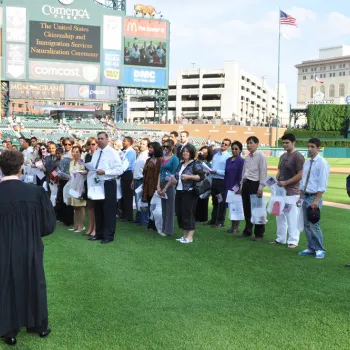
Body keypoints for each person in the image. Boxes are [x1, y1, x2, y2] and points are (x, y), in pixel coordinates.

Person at [0, 150, 55, 346]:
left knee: (5, 284)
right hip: (30, 246)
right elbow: (48, 226)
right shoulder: (36, 192)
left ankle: (9, 330)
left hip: (3, 248)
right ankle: (38, 325)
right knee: (34, 280)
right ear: (21, 167)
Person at [297, 138, 330, 259]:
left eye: (312, 147)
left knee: (314, 224)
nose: (309, 149)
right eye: (308, 146)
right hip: (305, 196)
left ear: (318, 148)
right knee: (306, 224)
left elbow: (323, 183)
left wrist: (316, 200)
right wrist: (300, 197)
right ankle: (311, 247)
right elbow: (303, 181)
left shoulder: (322, 163)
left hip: (314, 197)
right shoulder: (307, 163)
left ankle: (320, 248)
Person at [88, 132, 123, 244]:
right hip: (98, 184)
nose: (100, 140)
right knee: (98, 210)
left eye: (102, 138)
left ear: (107, 139)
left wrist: (105, 172)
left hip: (108, 183)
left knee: (109, 211)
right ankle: (99, 233)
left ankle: (108, 236)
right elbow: (93, 167)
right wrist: (87, 171)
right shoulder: (96, 152)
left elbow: (119, 170)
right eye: (98, 139)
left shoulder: (112, 152)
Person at [271, 134, 305, 248]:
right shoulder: (283, 156)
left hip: (292, 192)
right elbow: (279, 171)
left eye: (287, 143)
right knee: (279, 216)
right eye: (283, 143)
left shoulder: (298, 156)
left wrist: (286, 182)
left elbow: (301, 174)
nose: (285, 145)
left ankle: (293, 241)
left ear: (293, 142)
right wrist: (276, 180)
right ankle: (280, 238)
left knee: (291, 217)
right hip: (280, 192)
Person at [173, 144, 204, 243]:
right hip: (179, 190)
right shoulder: (181, 163)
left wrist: (189, 177)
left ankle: (189, 237)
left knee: (188, 213)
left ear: (191, 153)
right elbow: (177, 175)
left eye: (187, 151)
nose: (185, 153)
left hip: (190, 192)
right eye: (184, 151)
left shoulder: (195, 163)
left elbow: (201, 177)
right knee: (181, 213)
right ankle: (185, 235)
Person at [239, 136, 268, 241]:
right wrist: (242, 185)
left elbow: (263, 173)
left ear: (257, 144)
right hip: (246, 184)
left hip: (255, 184)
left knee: (257, 210)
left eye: (251, 143)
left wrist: (261, 187)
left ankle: (259, 234)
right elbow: (244, 173)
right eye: (247, 143)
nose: (249, 145)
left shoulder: (261, 156)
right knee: (247, 209)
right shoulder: (248, 156)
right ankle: (248, 230)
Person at [157, 139, 179, 236]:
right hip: (162, 183)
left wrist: (165, 188)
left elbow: (173, 175)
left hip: (169, 185)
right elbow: (160, 172)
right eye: (164, 146)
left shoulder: (175, 159)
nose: (165, 148)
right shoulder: (163, 158)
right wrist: (158, 186)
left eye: (167, 147)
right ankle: (163, 228)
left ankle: (168, 230)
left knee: (170, 208)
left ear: (172, 147)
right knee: (164, 208)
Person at [207, 138, 231, 228]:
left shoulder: (228, 157)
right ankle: (213, 219)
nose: (223, 145)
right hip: (214, 181)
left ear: (229, 146)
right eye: (222, 143)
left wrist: (216, 171)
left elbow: (227, 171)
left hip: (222, 181)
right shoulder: (216, 155)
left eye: (226, 144)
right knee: (214, 201)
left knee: (221, 201)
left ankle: (220, 221)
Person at [224, 141, 245, 233]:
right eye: (232, 148)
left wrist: (238, 188)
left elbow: (241, 176)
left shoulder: (241, 161)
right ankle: (232, 227)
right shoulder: (228, 160)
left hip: (236, 188)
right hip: (228, 186)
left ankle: (236, 227)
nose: (234, 150)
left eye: (236, 149)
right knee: (231, 207)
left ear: (240, 150)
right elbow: (226, 174)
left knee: (237, 208)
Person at [142, 142, 162, 231]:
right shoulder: (148, 159)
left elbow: (158, 174)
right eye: (149, 147)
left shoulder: (160, 160)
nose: (150, 149)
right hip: (147, 186)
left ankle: (155, 224)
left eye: (152, 148)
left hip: (155, 187)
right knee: (150, 206)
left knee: (155, 207)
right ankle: (151, 223)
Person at [68, 146, 86, 233]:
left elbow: (84, 173)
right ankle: (76, 225)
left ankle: (81, 226)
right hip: (72, 185)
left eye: (77, 152)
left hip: (80, 186)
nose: (75, 153)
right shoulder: (71, 162)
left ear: (80, 153)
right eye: (73, 151)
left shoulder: (81, 162)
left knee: (80, 206)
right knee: (75, 206)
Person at [132, 138, 150, 226]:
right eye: (141, 143)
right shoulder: (140, 154)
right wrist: (133, 180)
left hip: (142, 180)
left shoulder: (147, 155)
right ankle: (139, 219)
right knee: (137, 200)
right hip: (136, 179)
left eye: (143, 144)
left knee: (143, 201)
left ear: (147, 146)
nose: (141, 145)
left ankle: (144, 220)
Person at [195, 146, 213, 222]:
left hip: (206, 182)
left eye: (205, 153)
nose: (203, 154)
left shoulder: (210, 162)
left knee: (204, 200)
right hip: (198, 182)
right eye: (202, 152)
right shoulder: (197, 161)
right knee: (196, 200)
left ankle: (203, 217)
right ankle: (196, 216)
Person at [120, 136, 136, 222]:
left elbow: (126, 164)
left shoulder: (131, 152)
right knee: (124, 194)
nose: (123, 142)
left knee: (128, 195)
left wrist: (119, 171)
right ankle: (124, 214)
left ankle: (128, 216)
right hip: (124, 174)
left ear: (129, 142)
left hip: (128, 174)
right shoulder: (124, 151)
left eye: (125, 141)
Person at [84, 138, 97, 237]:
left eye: (93, 144)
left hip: (96, 183)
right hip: (88, 181)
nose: (91, 146)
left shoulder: (98, 155)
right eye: (89, 144)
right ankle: (90, 226)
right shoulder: (87, 156)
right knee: (90, 206)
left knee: (95, 206)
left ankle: (95, 228)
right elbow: (87, 169)